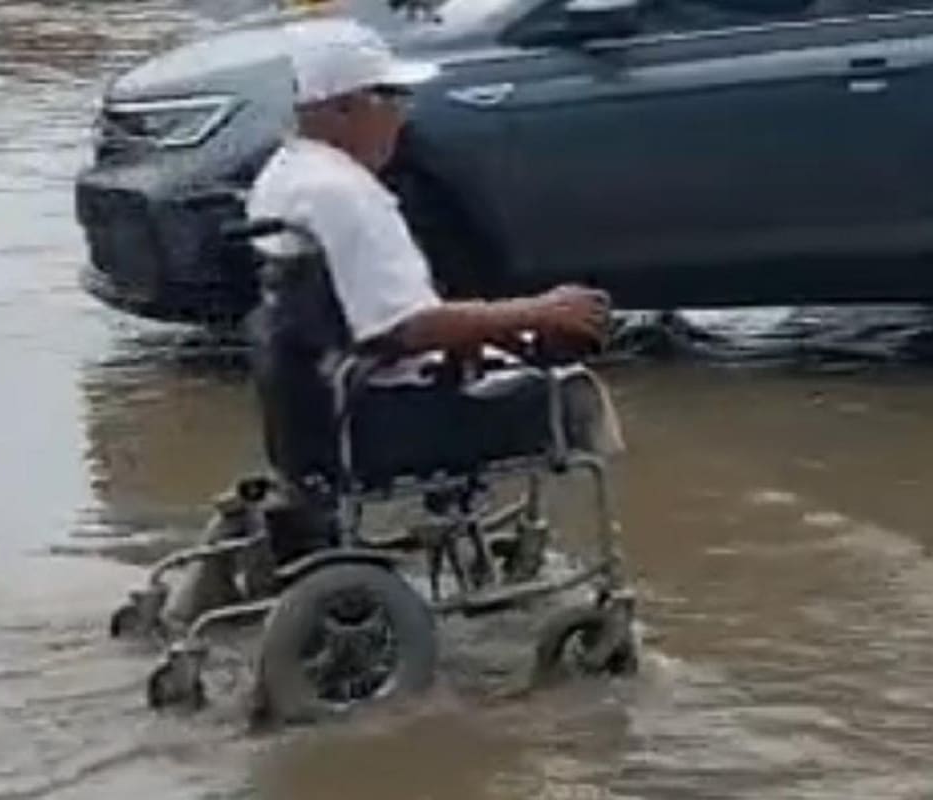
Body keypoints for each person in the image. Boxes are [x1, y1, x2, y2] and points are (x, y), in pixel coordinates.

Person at [163, 17, 613, 626]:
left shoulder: (284, 177)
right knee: (575, 393)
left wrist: (492, 329)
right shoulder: (348, 195)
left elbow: (373, 319)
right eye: (393, 98)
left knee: (513, 341)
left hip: (315, 410)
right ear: (346, 108)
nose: (403, 116)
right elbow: (405, 328)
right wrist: (537, 311)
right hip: (380, 415)